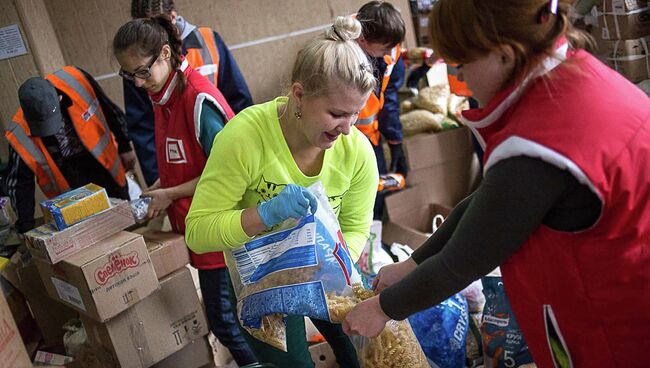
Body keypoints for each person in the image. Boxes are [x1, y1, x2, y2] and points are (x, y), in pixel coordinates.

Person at [343, 1, 650, 367]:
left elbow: (462, 263)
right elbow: (486, 204)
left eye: (461, 65)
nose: (461, 81)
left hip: (615, 327)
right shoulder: (575, 74)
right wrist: (410, 265)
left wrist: (380, 310)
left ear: (504, 54)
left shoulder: (540, 143)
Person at [185, 16, 379, 367]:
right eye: (337, 113)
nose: (348, 129)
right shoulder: (245, 138)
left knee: (365, 354)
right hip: (262, 282)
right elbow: (197, 233)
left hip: (327, 272)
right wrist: (265, 214)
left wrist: (324, 267)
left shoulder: (357, 152)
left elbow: (355, 227)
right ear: (299, 95)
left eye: (355, 114)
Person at [112, 15, 257, 367]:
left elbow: (227, 173)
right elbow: (184, 162)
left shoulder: (197, 101)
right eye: (128, 75)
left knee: (225, 321)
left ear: (165, 54)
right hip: (196, 225)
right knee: (229, 318)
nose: (137, 82)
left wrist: (171, 193)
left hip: (219, 231)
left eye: (142, 72)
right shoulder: (163, 96)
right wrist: (158, 190)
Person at [126, 0, 253, 186]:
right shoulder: (136, 66)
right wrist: (160, 185)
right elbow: (142, 127)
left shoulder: (208, 41)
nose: (150, 40)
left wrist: (253, 152)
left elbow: (240, 101)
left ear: (173, 17)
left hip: (222, 161)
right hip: (178, 170)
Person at [5, 68, 134, 234]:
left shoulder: (75, 80)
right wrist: (26, 228)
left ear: (59, 99)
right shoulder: (19, 133)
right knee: (91, 232)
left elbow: (108, 107)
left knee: (123, 220)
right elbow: (20, 185)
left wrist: (125, 146)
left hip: (102, 163)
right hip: (70, 181)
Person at [355, 1, 407, 218]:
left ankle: (373, 240)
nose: (391, 51)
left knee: (378, 188)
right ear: (363, 40)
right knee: (357, 196)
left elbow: (390, 99)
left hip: (371, 136)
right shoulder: (341, 54)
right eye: (385, 47)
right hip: (342, 138)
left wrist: (395, 142)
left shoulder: (389, 47)